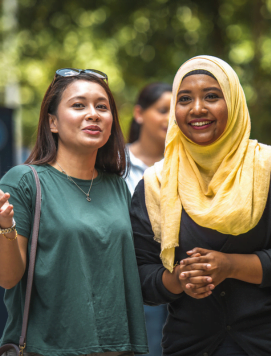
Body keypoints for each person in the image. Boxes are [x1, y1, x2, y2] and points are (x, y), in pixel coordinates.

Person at [130, 56, 271, 356]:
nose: (197, 108)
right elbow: (141, 275)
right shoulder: (156, 184)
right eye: (184, 99)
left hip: (270, 343)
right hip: (190, 344)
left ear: (232, 102)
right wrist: (179, 279)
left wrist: (231, 266)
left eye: (211, 96)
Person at [0, 68, 148, 356]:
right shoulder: (25, 181)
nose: (93, 114)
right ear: (52, 122)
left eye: (102, 107)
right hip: (47, 349)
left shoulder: (116, 186)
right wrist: (5, 224)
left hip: (117, 349)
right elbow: (6, 278)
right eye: (79, 105)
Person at [125, 82, 172, 356]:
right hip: (134, 282)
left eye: (174, 113)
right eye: (162, 110)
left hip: (182, 280)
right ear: (139, 113)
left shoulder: (187, 165)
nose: (169, 119)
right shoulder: (115, 164)